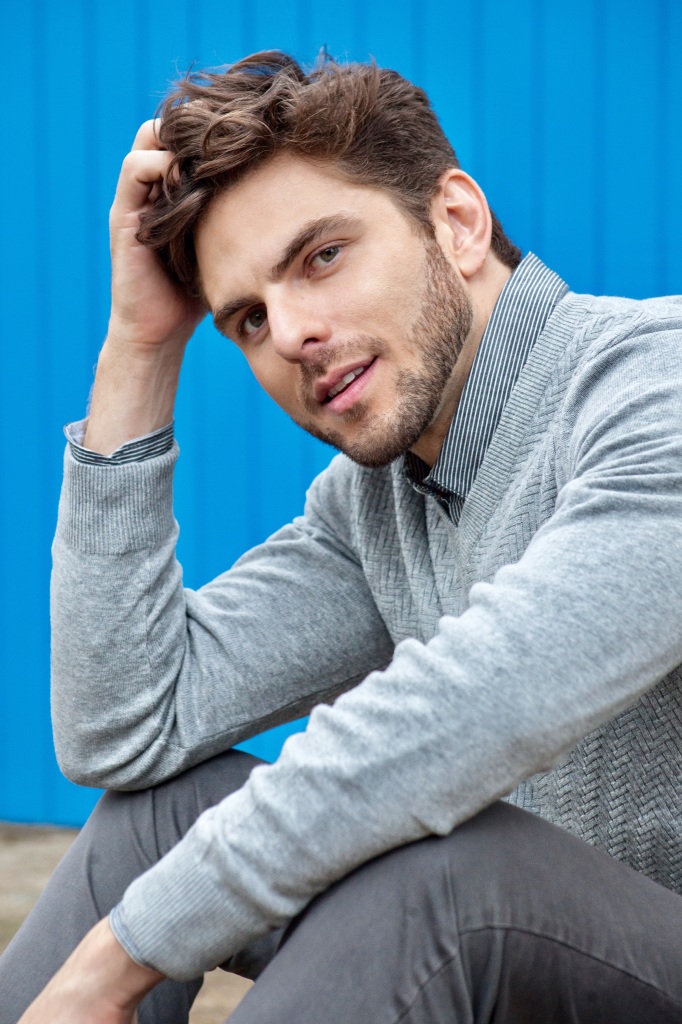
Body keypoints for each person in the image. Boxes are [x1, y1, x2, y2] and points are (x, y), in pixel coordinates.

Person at [3, 49, 682, 1024]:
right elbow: (124, 727)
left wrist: (120, 955)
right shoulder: (380, 504)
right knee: (155, 822)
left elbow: (471, 712)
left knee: (437, 876)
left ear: (456, 222)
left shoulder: (652, 388)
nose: (289, 333)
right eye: (247, 319)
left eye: (321, 256)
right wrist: (141, 346)